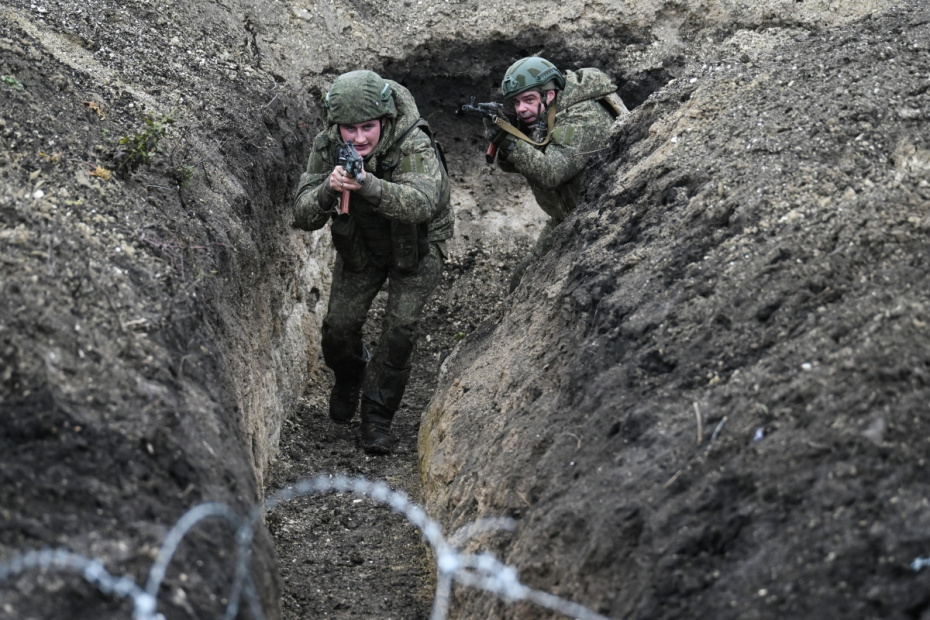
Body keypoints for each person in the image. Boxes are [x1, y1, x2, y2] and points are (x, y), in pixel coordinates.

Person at [293, 70, 452, 454]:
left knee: (400, 332)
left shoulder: (413, 142)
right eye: (349, 129)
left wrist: (368, 184)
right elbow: (302, 214)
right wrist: (327, 190)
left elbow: (424, 203)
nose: (359, 138)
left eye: (368, 127)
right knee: (337, 330)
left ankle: (377, 415)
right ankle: (350, 376)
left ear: (384, 121)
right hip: (361, 246)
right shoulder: (327, 144)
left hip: (417, 247)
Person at [483, 57, 625, 291]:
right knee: (522, 278)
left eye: (528, 100)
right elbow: (514, 164)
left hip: (602, 216)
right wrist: (507, 132)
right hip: (566, 217)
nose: (521, 109)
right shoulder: (547, 113)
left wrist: (507, 140)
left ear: (550, 94)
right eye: (516, 102)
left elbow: (551, 172)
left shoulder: (583, 118)